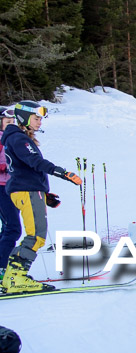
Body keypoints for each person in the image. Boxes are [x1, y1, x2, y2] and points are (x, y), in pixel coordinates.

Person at [0, 101, 82, 293]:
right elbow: (34, 162)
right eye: (36, 119)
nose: (39, 123)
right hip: (26, 191)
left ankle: (13, 276)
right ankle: (15, 278)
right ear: (24, 118)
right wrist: (62, 172)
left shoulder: (16, 138)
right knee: (36, 236)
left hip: (28, 190)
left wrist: (43, 194)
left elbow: (25, 168)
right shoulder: (19, 139)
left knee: (34, 235)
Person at [0, 106, 21, 280]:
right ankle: (2, 269)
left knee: (8, 228)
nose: (11, 124)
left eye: (13, 121)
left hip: (12, 187)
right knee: (13, 229)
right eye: (7, 121)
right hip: (2, 187)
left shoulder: (9, 138)